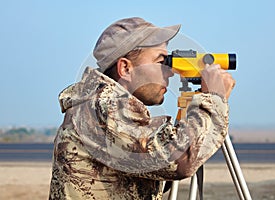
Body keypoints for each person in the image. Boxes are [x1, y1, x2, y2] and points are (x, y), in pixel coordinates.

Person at [49, 17, 235, 200]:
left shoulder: (97, 105)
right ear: (125, 68)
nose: (170, 71)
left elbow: (149, 169)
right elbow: (176, 160)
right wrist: (213, 99)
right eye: (161, 61)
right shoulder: (104, 108)